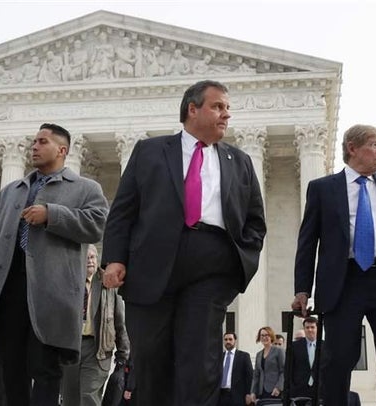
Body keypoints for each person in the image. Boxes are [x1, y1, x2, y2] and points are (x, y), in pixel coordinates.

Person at [101, 79, 266, 406]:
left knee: (200, 363)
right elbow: (123, 211)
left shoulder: (240, 161)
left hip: (211, 266)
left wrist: (238, 265)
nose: (226, 115)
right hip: (152, 266)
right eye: (218, 106)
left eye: (228, 108)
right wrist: (115, 259)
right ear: (193, 109)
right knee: (150, 360)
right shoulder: (150, 152)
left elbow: (254, 220)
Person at [0, 123, 109, 406]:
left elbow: (97, 226)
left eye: (42, 142)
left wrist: (52, 215)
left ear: (62, 150)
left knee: (45, 369)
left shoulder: (85, 189)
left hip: (52, 292)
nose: (35, 147)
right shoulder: (11, 192)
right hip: (9, 287)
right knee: (11, 367)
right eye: (34, 142)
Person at [292, 124, 376, 405]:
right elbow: (307, 243)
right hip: (344, 284)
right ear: (352, 148)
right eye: (374, 144)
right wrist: (302, 289)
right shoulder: (322, 189)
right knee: (338, 360)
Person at [61, 244, 130, 406]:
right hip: (71, 347)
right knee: (69, 398)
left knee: (88, 396)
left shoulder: (107, 283)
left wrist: (123, 354)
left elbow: (120, 322)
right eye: (85, 258)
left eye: (92, 257)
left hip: (97, 349)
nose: (90, 261)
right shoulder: (69, 281)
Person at [287, 317, 322, 403]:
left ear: (317, 328)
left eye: (312, 327)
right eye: (307, 327)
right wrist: (292, 387)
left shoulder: (325, 346)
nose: (310, 330)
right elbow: (289, 369)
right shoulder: (294, 346)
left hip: (320, 389)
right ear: (304, 329)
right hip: (299, 390)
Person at [249, 326, 285, 403]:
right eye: (262, 335)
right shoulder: (259, 354)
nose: (264, 337)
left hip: (275, 391)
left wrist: (279, 387)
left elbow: (284, 371)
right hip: (262, 391)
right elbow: (256, 375)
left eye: (267, 335)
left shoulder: (279, 351)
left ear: (271, 336)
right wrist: (253, 392)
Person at [219, 332, 253, 406]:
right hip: (221, 396)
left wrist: (248, 393)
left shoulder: (244, 356)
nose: (228, 341)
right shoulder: (219, 357)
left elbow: (249, 376)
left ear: (235, 341)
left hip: (237, 396)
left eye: (230, 339)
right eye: (226, 339)